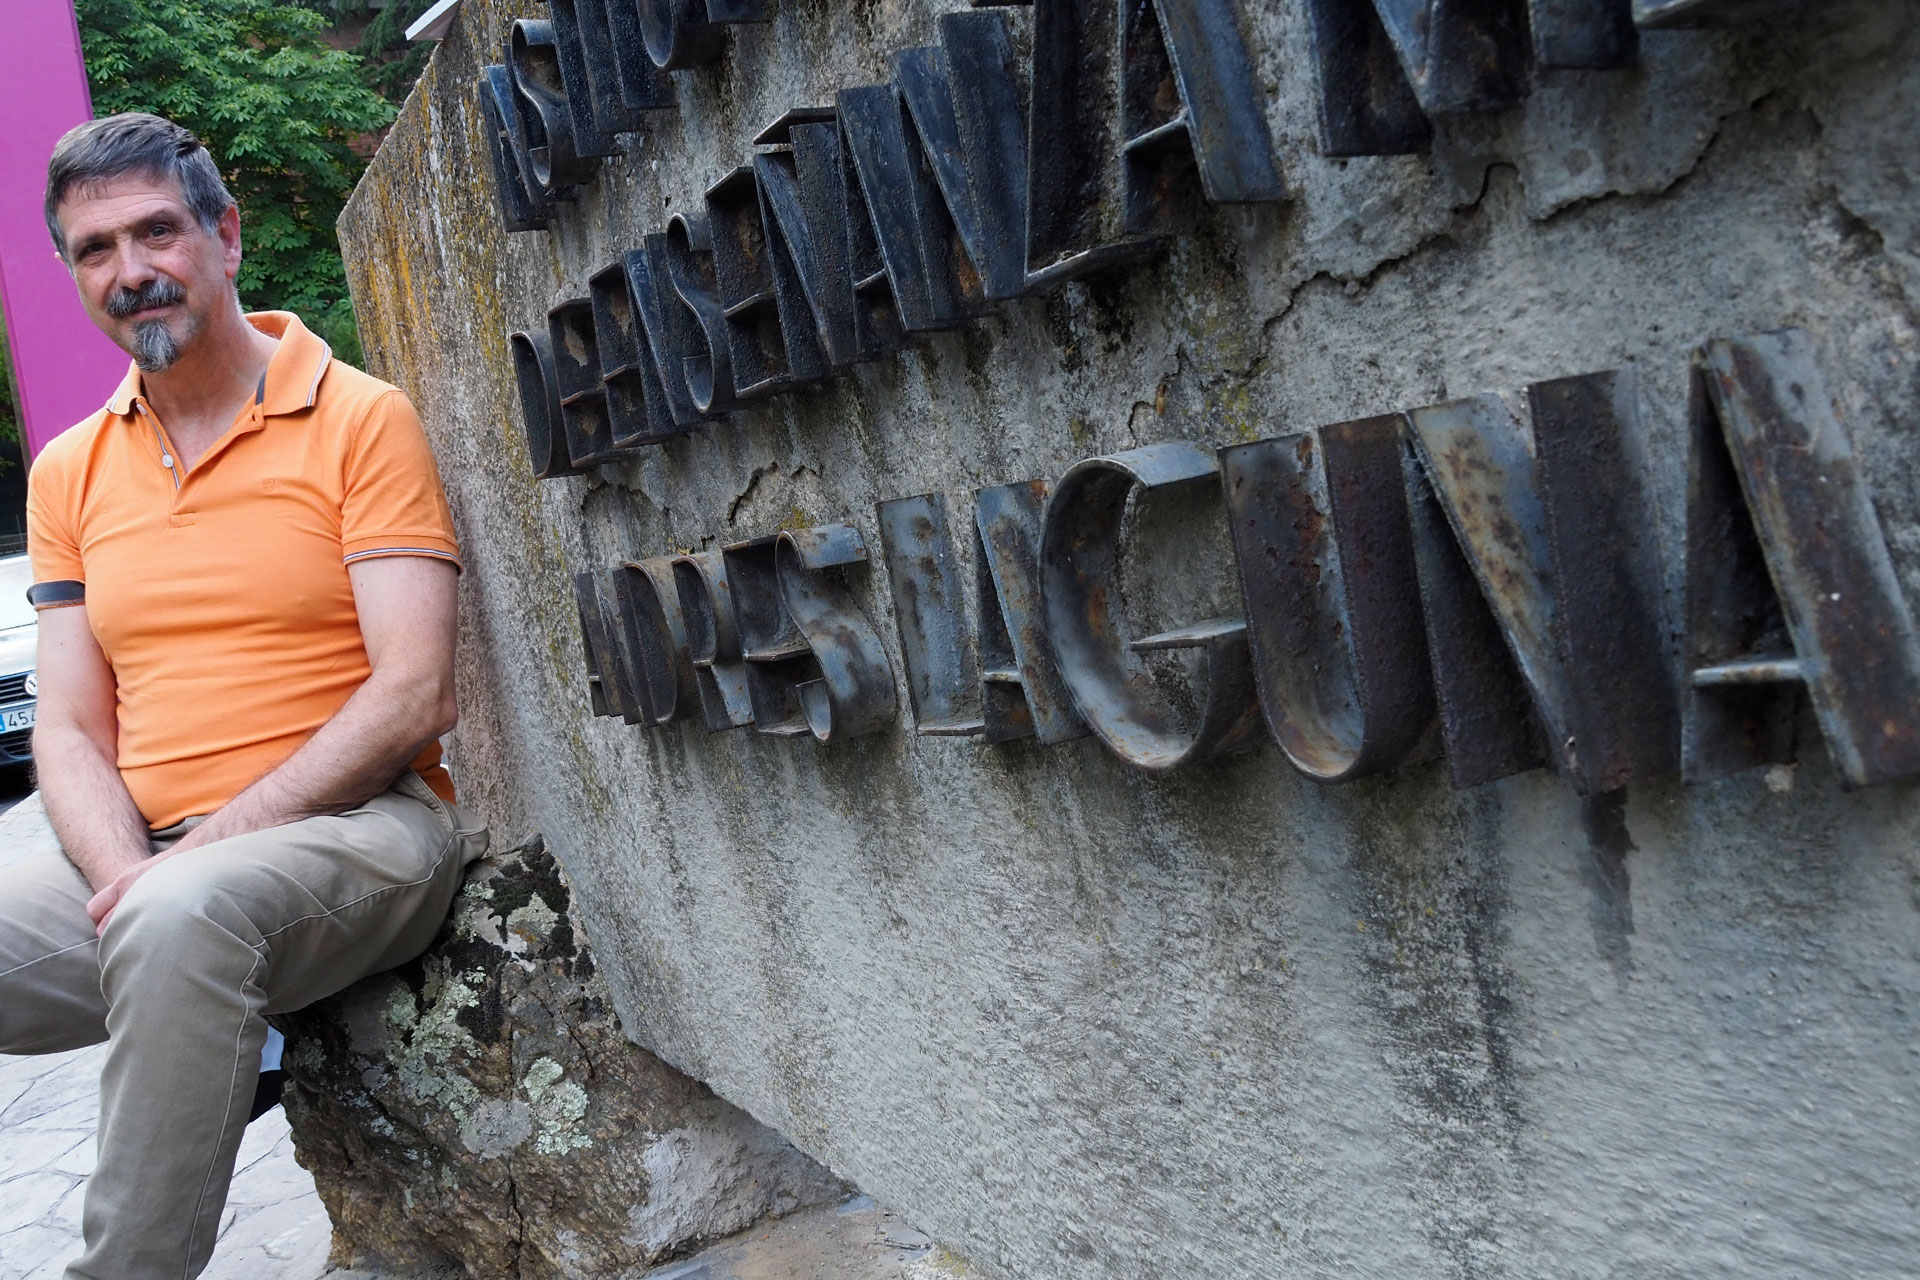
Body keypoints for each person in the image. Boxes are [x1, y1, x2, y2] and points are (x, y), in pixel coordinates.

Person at [0, 112, 489, 1280]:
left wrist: (191, 862)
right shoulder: (67, 470)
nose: (132, 271)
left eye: (157, 231)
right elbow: (69, 725)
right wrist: (127, 869)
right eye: (96, 249)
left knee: (183, 920)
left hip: (363, 830)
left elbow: (415, 692)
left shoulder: (360, 417)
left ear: (224, 235)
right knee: (168, 918)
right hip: (145, 855)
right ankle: (188, 980)